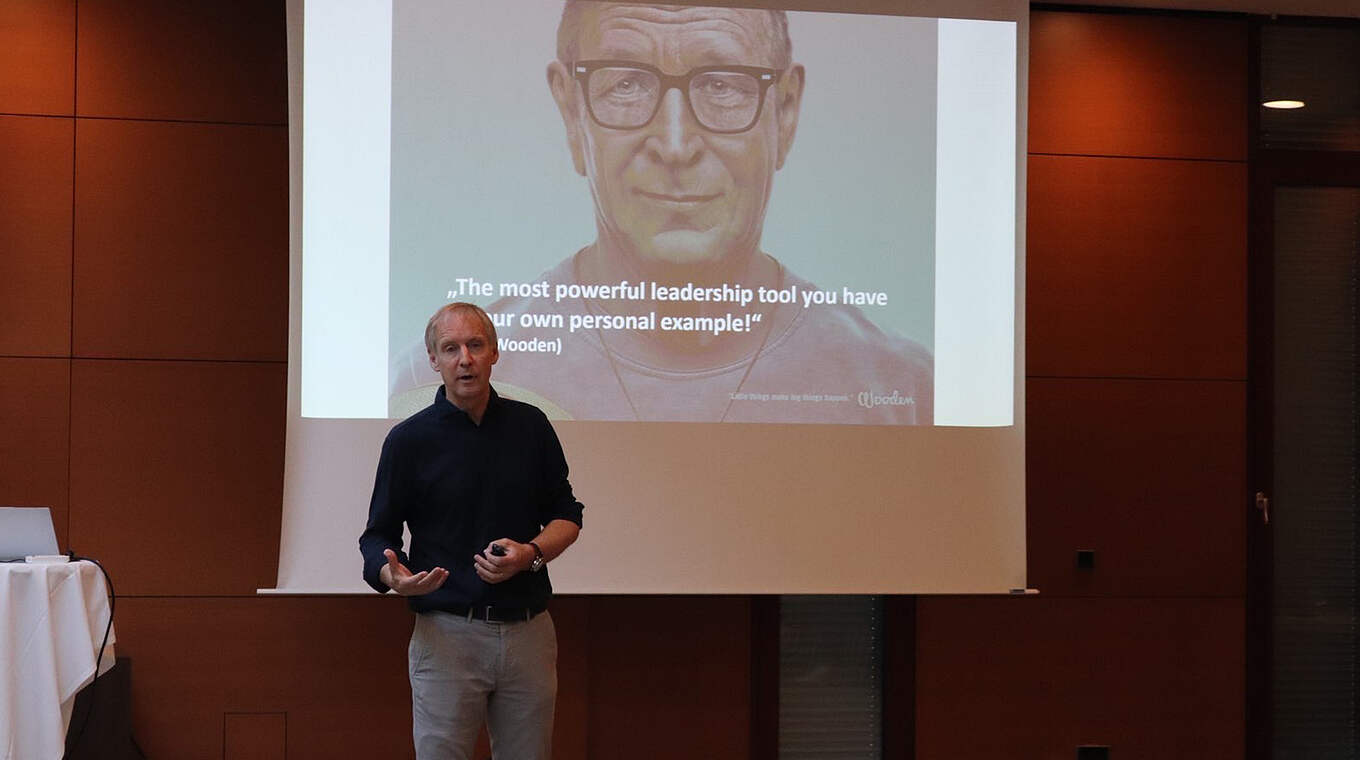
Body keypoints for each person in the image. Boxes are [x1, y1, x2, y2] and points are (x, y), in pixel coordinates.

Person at [390, 2, 932, 424]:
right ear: (572, 113)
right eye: (626, 84)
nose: (675, 145)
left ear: (785, 112)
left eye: (722, 85)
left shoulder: (904, 388)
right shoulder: (429, 382)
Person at [361, 302, 584, 760]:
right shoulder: (408, 441)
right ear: (433, 360)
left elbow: (567, 515)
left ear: (494, 353)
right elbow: (377, 536)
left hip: (528, 633)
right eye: (451, 348)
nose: (465, 359)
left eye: (476, 345)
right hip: (447, 635)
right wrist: (394, 576)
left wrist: (530, 553)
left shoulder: (531, 426)